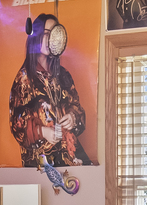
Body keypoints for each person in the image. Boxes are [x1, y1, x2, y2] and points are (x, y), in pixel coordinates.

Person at [8, 12, 92, 167]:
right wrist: (41, 131)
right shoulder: (24, 79)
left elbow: (77, 107)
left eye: (54, 34)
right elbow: (16, 123)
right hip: (41, 162)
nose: (49, 39)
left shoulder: (63, 75)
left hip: (71, 157)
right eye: (46, 33)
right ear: (36, 36)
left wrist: (73, 117)